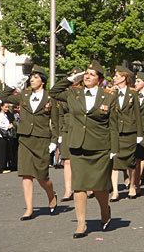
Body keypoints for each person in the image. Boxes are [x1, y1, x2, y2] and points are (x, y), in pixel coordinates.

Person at [50, 62, 118, 238]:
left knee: (99, 187)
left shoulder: (109, 96)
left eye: (92, 74)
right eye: (86, 74)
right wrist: (71, 79)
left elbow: (113, 125)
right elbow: (54, 92)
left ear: (100, 80)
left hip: (100, 147)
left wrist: (114, 148)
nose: (87, 76)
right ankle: (81, 224)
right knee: (79, 186)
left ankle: (105, 211)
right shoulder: (74, 93)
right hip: (78, 145)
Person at [0, 65, 58, 221]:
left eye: (36, 77)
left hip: (42, 139)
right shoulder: (24, 95)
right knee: (26, 175)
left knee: (42, 176)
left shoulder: (50, 98)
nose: (32, 80)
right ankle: (29, 209)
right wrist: (12, 86)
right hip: (25, 138)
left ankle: (51, 195)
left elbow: (57, 122)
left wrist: (55, 141)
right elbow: (4, 97)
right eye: (31, 77)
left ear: (43, 81)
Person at [109, 66, 142, 202]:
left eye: (117, 76)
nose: (114, 78)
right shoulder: (111, 94)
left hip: (129, 131)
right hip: (116, 131)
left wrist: (139, 133)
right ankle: (115, 191)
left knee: (130, 161)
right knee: (115, 162)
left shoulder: (132, 94)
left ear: (123, 78)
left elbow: (137, 114)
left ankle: (132, 185)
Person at [56, 67, 82, 202]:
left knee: (82, 160)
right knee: (67, 161)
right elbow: (60, 115)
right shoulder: (64, 94)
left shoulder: (84, 93)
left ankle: (86, 187)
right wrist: (59, 133)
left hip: (81, 128)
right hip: (67, 129)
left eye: (76, 77)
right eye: (72, 77)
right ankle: (68, 190)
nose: (74, 80)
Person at [0, 102, 14, 174]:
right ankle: (0, 168)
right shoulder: (0, 115)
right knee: (1, 153)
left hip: (5, 136)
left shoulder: (5, 115)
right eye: (5, 107)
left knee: (5, 151)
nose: (7, 109)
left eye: (8, 107)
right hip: (1, 136)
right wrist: (7, 126)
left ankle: (4, 167)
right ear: (1, 107)